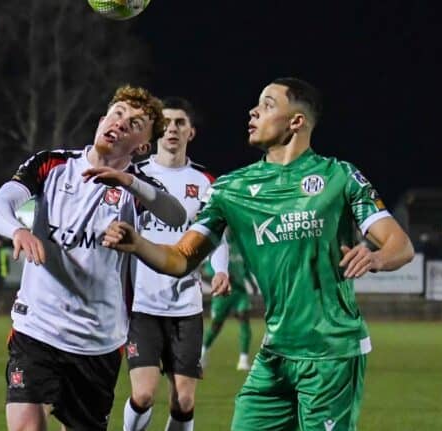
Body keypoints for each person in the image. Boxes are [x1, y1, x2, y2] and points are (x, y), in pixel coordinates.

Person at [102, 78, 414, 431]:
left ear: (296, 122)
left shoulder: (339, 176)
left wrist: (374, 256)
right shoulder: (230, 190)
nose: (253, 111)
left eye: (267, 105)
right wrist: (138, 243)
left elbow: (399, 245)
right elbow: (180, 259)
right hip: (275, 354)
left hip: (331, 352)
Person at [0, 85, 185, 431]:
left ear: (143, 147)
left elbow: (176, 215)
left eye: (135, 123)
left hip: (98, 341)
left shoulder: (136, 189)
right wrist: (18, 230)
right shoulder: (53, 165)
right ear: (103, 119)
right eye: (118, 113)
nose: (121, 123)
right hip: (37, 329)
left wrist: (128, 184)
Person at [122, 97, 229, 431]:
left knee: (184, 401)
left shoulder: (206, 182)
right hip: (142, 305)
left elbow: (217, 232)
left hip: (186, 307)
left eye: (180, 122)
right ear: (156, 131)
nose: (172, 129)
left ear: (191, 132)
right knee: (142, 395)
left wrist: (221, 268)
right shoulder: (135, 176)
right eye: (166, 123)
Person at [199, 234, 255, 372]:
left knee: (244, 319)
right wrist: (223, 275)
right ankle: (203, 352)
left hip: (240, 292)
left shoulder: (240, 243)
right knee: (216, 325)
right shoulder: (217, 242)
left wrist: (252, 284)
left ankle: (243, 360)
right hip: (223, 292)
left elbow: (245, 267)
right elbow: (208, 269)